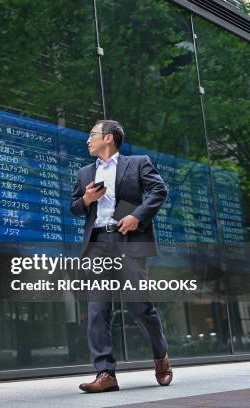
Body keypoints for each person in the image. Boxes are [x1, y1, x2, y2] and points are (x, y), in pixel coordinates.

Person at [70, 119, 173, 393]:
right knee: (98, 308)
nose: (87, 139)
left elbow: (159, 190)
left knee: (139, 305)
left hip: (128, 239)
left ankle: (160, 354)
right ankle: (105, 373)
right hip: (98, 243)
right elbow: (75, 207)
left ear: (109, 138)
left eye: (92, 134)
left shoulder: (138, 163)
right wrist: (87, 200)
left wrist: (137, 217)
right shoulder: (84, 173)